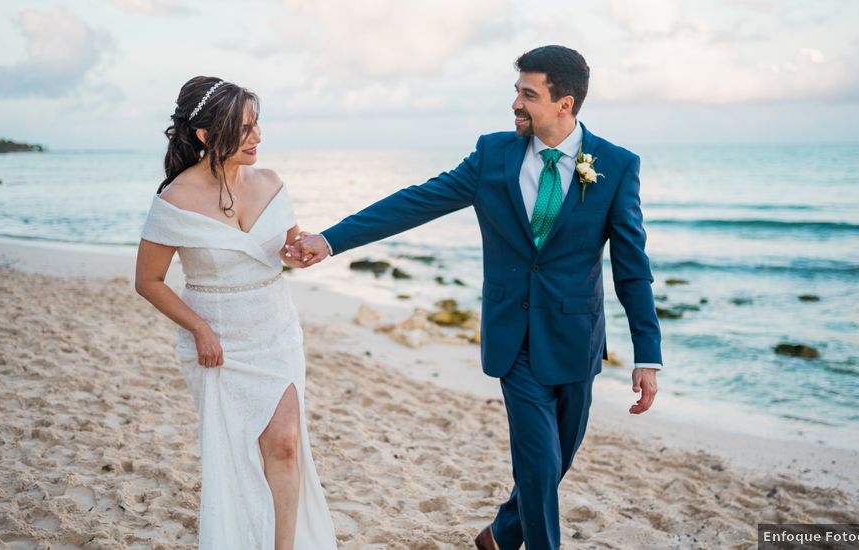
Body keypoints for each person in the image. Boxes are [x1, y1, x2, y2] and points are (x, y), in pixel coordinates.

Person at [290, 46, 662, 550]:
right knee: (539, 459)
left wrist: (647, 354)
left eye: (528, 95)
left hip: (576, 337)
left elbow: (632, 267)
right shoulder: (493, 155)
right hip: (515, 340)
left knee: (558, 459)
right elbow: (415, 202)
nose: (515, 103)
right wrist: (331, 239)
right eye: (516, 91)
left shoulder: (616, 166)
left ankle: (501, 535)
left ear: (564, 104)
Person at [134, 76, 337, 550]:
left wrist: (300, 252)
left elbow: (287, 245)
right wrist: (199, 328)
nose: (257, 137)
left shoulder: (271, 182)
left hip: (276, 330)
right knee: (237, 455)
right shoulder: (174, 201)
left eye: (257, 124)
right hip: (218, 344)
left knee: (285, 445)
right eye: (244, 128)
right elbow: (148, 281)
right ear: (206, 136)